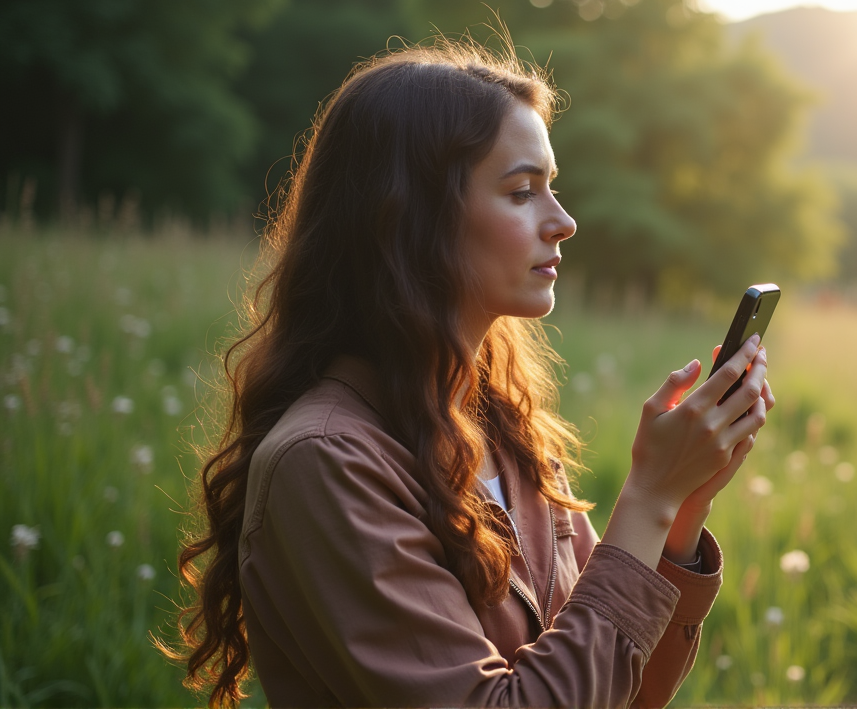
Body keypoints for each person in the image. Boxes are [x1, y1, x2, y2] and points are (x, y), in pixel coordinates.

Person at [170, 41, 774, 708]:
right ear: (408, 219)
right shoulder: (324, 462)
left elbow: (626, 692)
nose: (563, 221)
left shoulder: (505, 430)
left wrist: (681, 512)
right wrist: (648, 500)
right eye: (521, 192)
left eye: (553, 186)